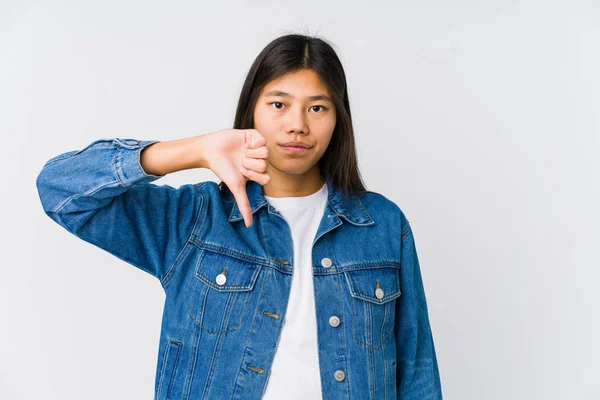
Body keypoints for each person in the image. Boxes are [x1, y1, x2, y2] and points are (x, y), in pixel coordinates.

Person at [36, 33, 442, 399]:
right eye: (278, 104)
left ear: (338, 119)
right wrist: (195, 150)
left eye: (317, 107)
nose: (297, 125)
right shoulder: (194, 220)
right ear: (252, 110)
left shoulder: (384, 226)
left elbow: (417, 372)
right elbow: (59, 189)